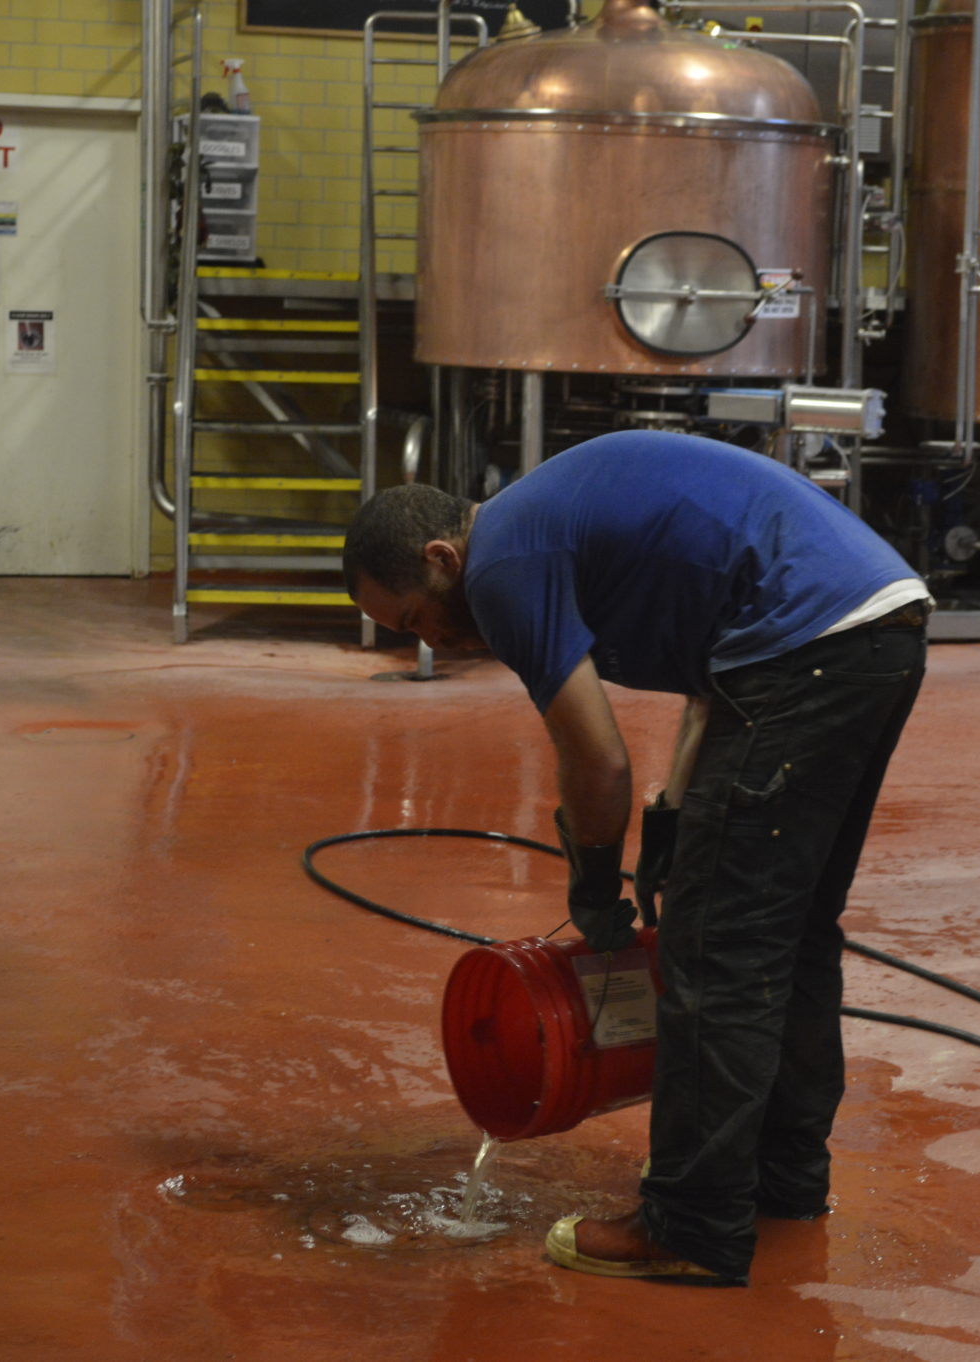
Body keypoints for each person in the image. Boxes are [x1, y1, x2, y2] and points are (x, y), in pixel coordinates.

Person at [343, 429, 929, 1285]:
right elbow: (708, 680)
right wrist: (674, 819)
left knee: (717, 948)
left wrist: (590, 871)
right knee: (790, 932)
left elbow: (596, 759)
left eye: (414, 617)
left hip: (802, 646)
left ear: (442, 555)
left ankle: (692, 1225)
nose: (428, 639)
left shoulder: (502, 564)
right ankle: (782, 1181)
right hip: (875, 626)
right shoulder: (551, 524)